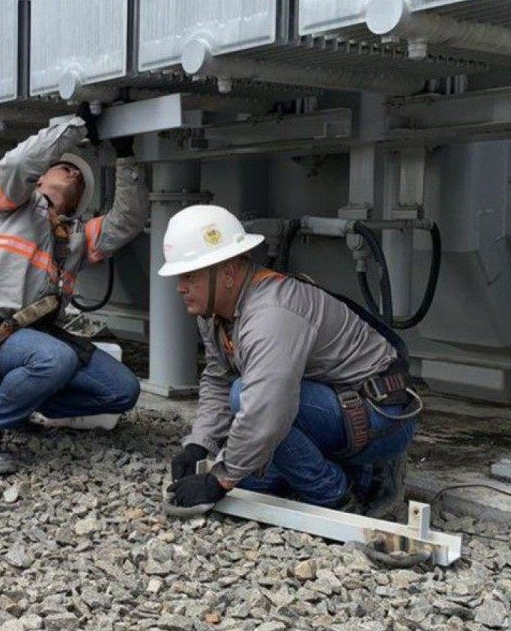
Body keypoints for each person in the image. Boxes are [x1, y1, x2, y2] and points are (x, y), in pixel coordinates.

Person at [159, 205, 419, 517]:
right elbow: (217, 376)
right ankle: (355, 474)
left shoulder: (271, 315)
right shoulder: (214, 312)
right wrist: (199, 444)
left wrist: (219, 479)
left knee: (246, 399)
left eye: (189, 276)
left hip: (383, 418)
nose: (180, 288)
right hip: (340, 403)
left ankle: (336, 495)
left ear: (227, 274)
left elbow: (266, 408)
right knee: (254, 482)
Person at [0, 108, 148, 474]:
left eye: (82, 179)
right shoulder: (8, 206)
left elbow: (127, 221)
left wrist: (126, 156)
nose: (74, 173)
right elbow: (19, 162)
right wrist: (76, 126)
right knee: (57, 359)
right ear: (40, 179)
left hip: (34, 341)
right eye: (64, 166)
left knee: (123, 390)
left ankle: (15, 405)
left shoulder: (78, 237)